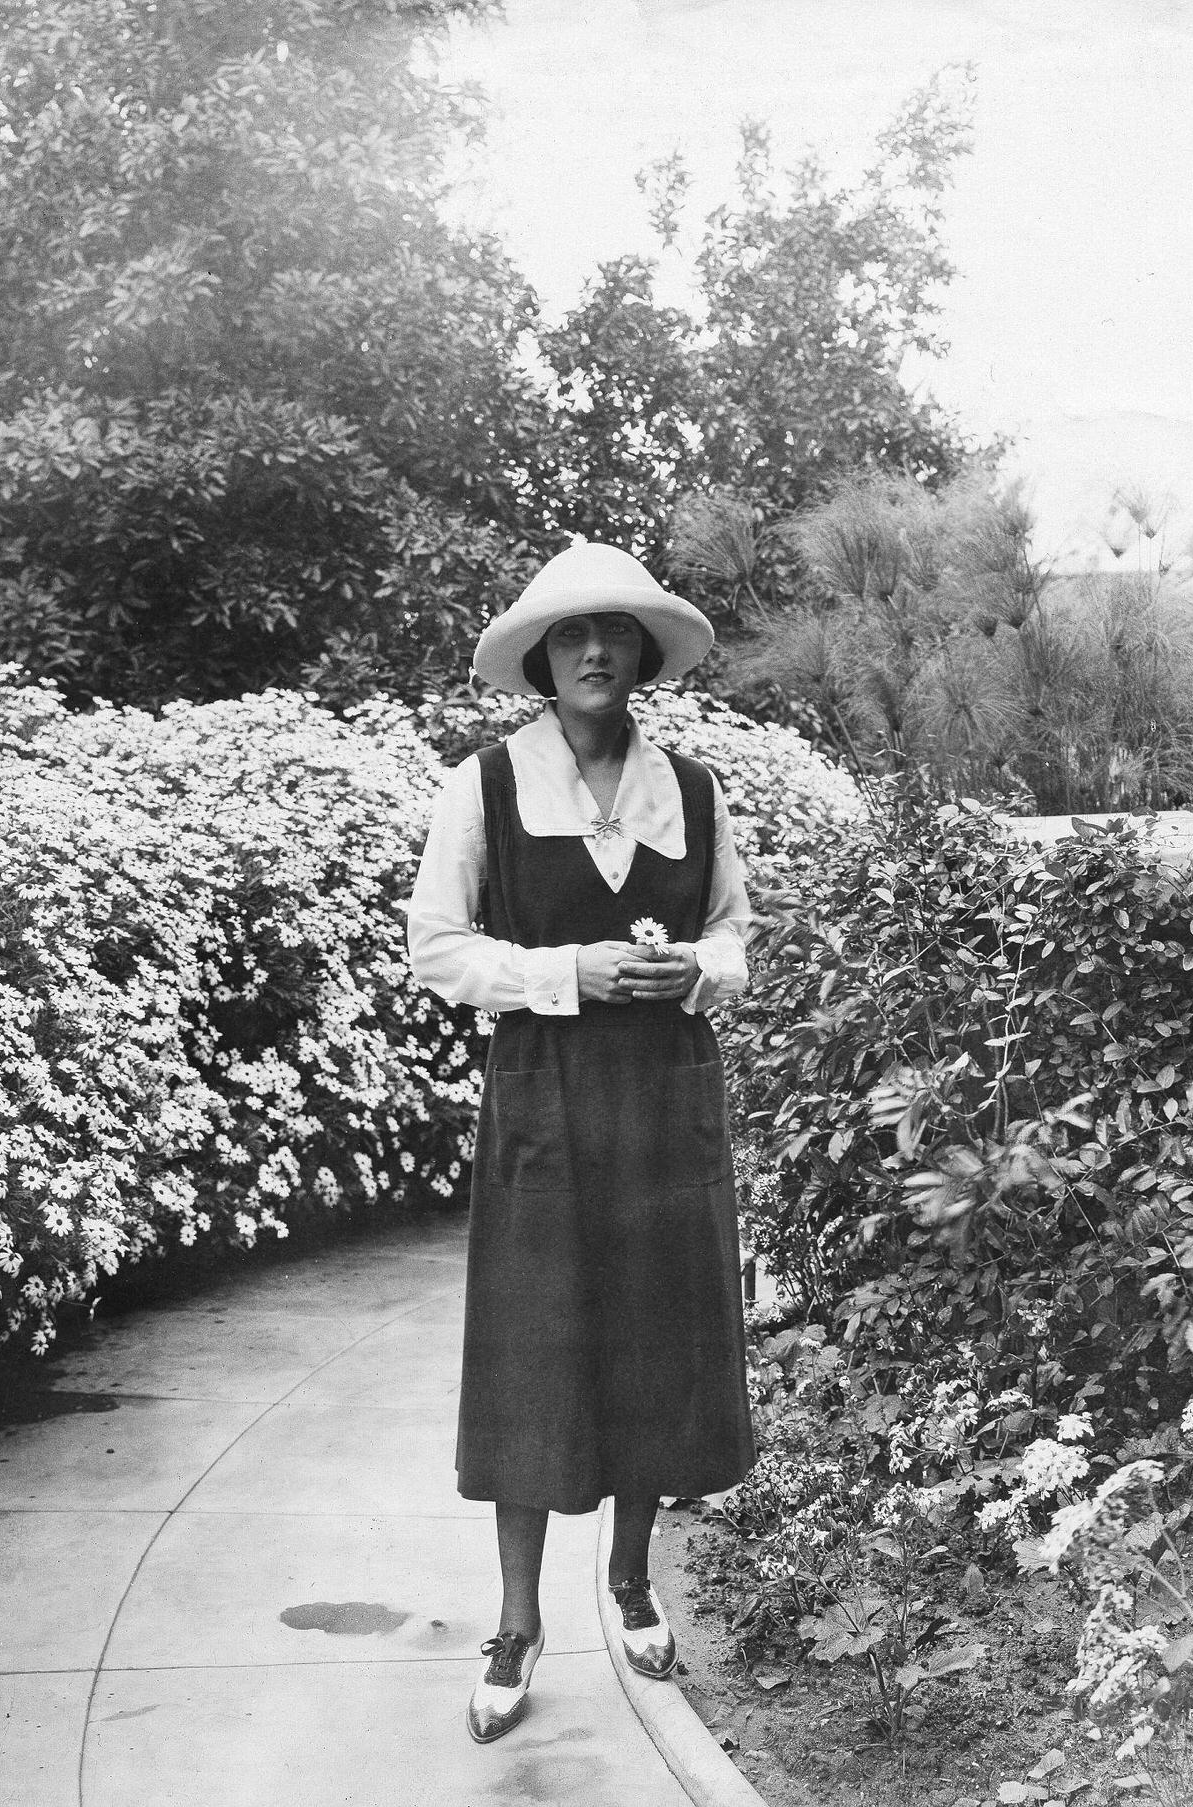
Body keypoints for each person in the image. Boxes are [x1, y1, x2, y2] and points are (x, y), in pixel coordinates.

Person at [407, 538, 756, 1745]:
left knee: (653, 1342)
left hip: (663, 1097)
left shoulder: (695, 792)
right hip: (543, 1096)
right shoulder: (487, 785)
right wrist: (571, 970)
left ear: (645, 654)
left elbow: (733, 944)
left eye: (614, 633)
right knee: (531, 1352)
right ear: (543, 664)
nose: (596, 651)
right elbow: (438, 950)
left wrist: (683, 970)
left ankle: (628, 1580)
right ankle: (515, 1620)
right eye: (570, 636)